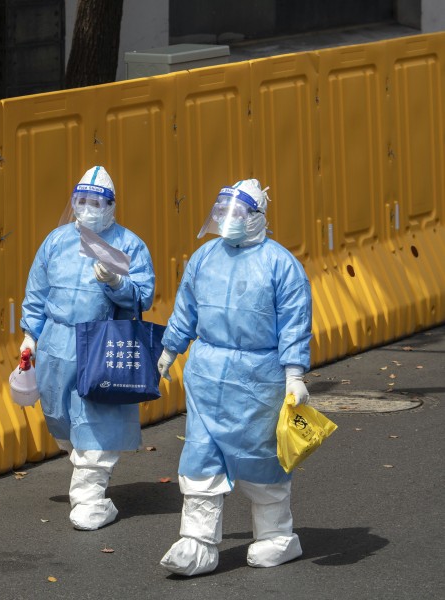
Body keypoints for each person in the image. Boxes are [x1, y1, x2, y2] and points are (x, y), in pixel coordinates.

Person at [155, 178, 312, 576]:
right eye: (222, 212)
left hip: (259, 378)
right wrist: (170, 348)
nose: (227, 219)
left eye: (237, 213)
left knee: (262, 458)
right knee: (201, 455)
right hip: (207, 375)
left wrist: (295, 374)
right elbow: (186, 308)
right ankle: (198, 543)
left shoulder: (281, 264)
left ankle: (277, 536)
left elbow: (294, 323)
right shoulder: (205, 256)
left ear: (258, 217)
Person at [20, 165, 155, 530]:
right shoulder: (56, 241)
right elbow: (38, 291)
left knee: (95, 422)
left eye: (96, 202)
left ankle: (90, 499)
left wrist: (117, 283)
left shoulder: (128, 244)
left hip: (101, 342)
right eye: (81, 201)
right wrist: (31, 335)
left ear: (111, 205)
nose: (88, 208)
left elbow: (142, 297)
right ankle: (85, 472)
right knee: (61, 418)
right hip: (57, 345)